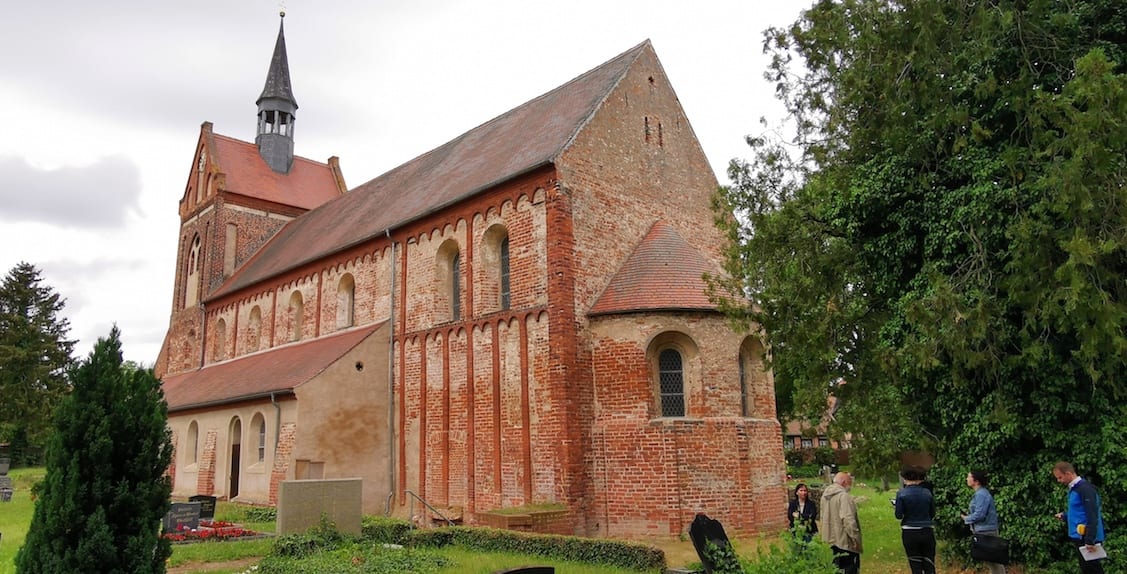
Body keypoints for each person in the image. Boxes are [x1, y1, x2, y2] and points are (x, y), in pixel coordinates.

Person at [1053, 461, 1106, 574]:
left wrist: (1090, 539)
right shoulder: (1074, 489)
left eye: (1060, 477)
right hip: (1079, 536)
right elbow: (1079, 511)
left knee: (1093, 569)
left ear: (1068, 473)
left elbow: (1092, 514)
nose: (1059, 481)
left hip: (1087, 537)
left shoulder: (1085, 489)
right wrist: (1065, 516)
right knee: (1087, 569)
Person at [962, 470, 1005, 574]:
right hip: (985, 530)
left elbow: (980, 514)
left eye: (969, 477)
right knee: (993, 561)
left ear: (976, 481)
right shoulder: (980, 494)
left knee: (994, 561)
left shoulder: (981, 494)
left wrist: (966, 518)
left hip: (986, 531)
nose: (967, 479)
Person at [894, 466, 936, 574]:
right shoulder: (927, 493)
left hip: (910, 531)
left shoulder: (901, 494)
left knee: (915, 564)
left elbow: (898, 515)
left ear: (904, 479)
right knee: (929, 563)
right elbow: (932, 513)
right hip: (927, 530)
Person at [821, 472, 862, 574]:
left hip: (830, 540)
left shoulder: (825, 496)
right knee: (850, 569)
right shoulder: (844, 497)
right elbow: (848, 520)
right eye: (849, 483)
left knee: (836, 569)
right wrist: (855, 539)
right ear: (844, 482)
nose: (850, 486)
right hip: (845, 541)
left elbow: (822, 516)